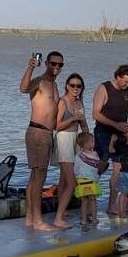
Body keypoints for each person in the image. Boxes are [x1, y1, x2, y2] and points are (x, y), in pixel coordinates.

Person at [19, 50, 63, 231]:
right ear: (46, 63)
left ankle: (30, 218)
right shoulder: (40, 81)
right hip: (38, 132)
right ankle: (38, 220)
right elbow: (23, 88)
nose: (56, 68)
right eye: (53, 64)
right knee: (39, 178)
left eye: (60, 65)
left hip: (46, 133)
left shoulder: (54, 84)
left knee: (34, 177)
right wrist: (30, 67)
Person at [92, 64, 128, 216]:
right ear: (118, 77)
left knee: (118, 170)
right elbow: (96, 114)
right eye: (125, 81)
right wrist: (115, 125)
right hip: (103, 132)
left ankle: (112, 205)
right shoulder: (103, 88)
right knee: (100, 166)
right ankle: (84, 197)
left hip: (122, 135)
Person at [52, 72, 89, 228]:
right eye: (72, 85)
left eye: (78, 86)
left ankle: (62, 210)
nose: (75, 88)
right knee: (72, 183)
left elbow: (84, 125)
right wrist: (73, 118)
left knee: (63, 179)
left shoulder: (80, 103)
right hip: (63, 140)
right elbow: (56, 125)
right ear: (67, 86)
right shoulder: (62, 102)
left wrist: (88, 141)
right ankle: (58, 218)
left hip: (75, 140)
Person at [74, 131, 102, 226]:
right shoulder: (95, 154)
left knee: (84, 201)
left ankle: (84, 220)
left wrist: (77, 179)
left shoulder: (78, 155)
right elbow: (98, 167)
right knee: (93, 200)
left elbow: (76, 169)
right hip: (92, 181)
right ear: (86, 144)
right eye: (92, 141)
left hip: (81, 181)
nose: (94, 142)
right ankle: (94, 219)